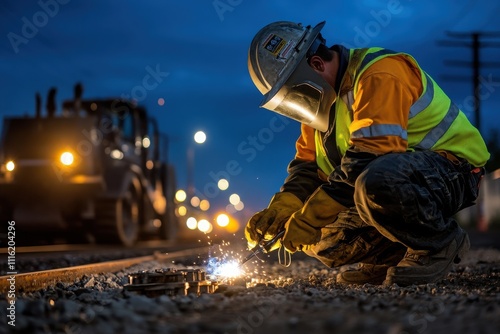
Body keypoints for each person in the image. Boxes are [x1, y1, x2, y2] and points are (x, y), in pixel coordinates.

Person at [244, 21, 490, 286]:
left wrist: (311, 217)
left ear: (316, 65)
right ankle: (391, 258)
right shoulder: (321, 110)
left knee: (373, 182)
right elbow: (307, 168)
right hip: (394, 178)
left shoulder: (378, 73)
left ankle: (437, 244)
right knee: (319, 237)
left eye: (295, 93)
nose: (297, 104)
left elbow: (367, 158)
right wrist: (286, 207)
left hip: (452, 171)